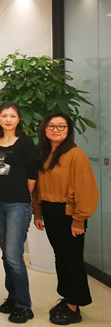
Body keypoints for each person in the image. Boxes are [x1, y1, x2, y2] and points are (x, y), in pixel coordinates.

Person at [33, 112, 99, 325]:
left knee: (72, 259)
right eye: (51, 126)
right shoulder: (43, 153)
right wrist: (37, 212)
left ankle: (74, 306)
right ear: (44, 129)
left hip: (70, 214)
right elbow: (37, 187)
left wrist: (79, 220)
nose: (56, 130)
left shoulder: (76, 155)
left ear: (68, 130)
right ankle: (67, 297)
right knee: (60, 257)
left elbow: (86, 189)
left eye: (61, 126)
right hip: (50, 211)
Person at [0, 102, 38, 324]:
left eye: (12, 116)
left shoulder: (25, 143)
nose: (8, 119)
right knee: (6, 255)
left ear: (19, 119)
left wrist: (20, 195)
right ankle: (12, 296)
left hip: (18, 205)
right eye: (4, 115)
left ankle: (24, 305)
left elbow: (32, 175)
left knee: (14, 255)